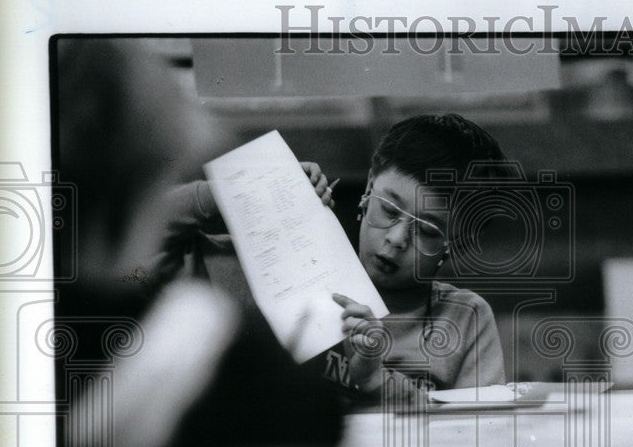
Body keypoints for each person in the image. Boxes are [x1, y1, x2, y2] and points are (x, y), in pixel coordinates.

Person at [159, 113, 508, 403]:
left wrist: (376, 380)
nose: (397, 239)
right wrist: (236, 194)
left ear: (457, 244)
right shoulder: (272, 269)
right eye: (388, 209)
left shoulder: (466, 319)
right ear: (369, 188)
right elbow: (138, 245)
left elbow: (481, 439)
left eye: (429, 232)